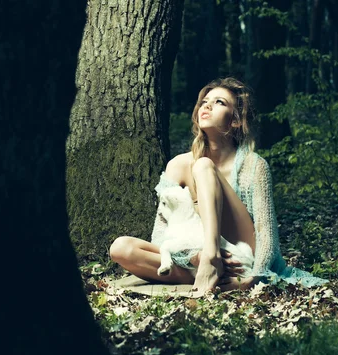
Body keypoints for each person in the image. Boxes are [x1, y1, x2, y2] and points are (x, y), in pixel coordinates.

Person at [110, 77, 327, 296]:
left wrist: (253, 279)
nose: (208, 105)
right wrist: (193, 256)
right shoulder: (177, 165)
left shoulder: (254, 165)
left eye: (220, 102)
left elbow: (266, 235)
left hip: (241, 253)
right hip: (195, 257)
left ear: (235, 120)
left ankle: (212, 259)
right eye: (205, 101)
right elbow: (161, 236)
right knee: (121, 248)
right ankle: (207, 270)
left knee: (204, 166)